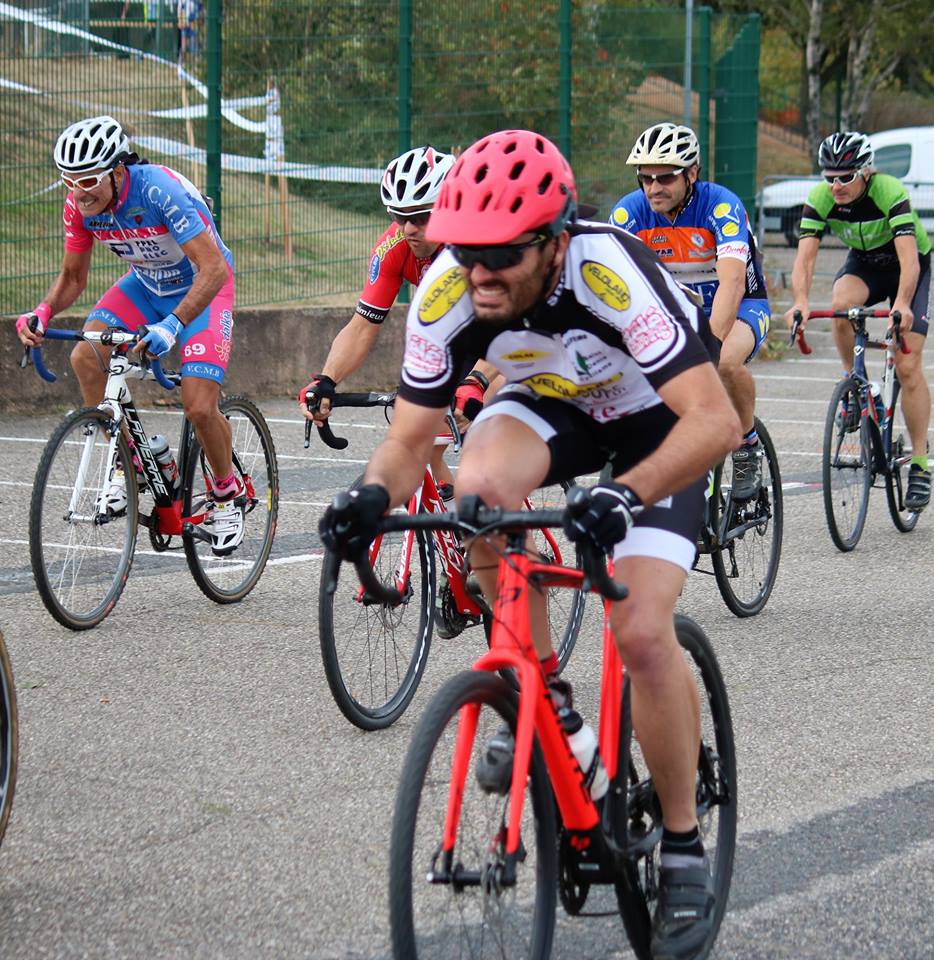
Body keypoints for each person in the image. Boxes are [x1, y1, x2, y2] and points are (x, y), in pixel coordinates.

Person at [319, 129, 740, 959]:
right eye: (465, 252)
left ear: (553, 244)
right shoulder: (449, 290)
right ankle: (544, 698)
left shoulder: (608, 268)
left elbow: (716, 419)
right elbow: (410, 442)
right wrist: (368, 496)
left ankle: (685, 840)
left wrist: (627, 495)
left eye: (501, 256)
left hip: (661, 422)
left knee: (641, 628)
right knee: (475, 492)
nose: (479, 273)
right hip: (563, 410)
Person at [15, 115, 243, 555]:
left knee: (197, 405)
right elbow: (72, 277)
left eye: (88, 181)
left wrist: (173, 324)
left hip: (203, 286)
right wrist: (43, 311)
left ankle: (225, 493)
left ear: (118, 171)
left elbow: (213, 268)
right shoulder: (79, 206)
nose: (79, 194)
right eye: (70, 182)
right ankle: (130, 464)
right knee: (86, 356)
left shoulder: (160, 191)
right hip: (146, 285)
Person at [297, 144, 498, 495]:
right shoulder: (393, 247)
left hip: (504, 337)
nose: (408, 228)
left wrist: (478, 380)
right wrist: (327, 379)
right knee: (415, 440)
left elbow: (511, 330)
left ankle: (518, 546)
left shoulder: (481, 243)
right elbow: (362, 325)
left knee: (486, 454)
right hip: (450, 338)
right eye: (399, 215)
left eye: (421, 217)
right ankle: (457, 527)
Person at [609, 122, 771, 500]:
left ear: (692, 173)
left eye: (665, 177)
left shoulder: (721, 206)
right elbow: (616, 286)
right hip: (680, 309)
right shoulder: (629, 213)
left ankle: (747, 445)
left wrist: (708, 347)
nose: (654, 188)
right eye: (645, 178)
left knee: (724, 363)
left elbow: (731, 284)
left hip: (741, 304)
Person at [784, 130, 932, 510]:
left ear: (866, 172)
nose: (836, 185)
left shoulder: (888, 190)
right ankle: (857, 383)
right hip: (865, 265)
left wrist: (901, 305)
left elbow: (910, 260)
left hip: (907, 267)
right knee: (840, 306)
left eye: (845, 177)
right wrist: (800, 301)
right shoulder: (821, 198)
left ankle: (918, 462)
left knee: (907, 364)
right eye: (829, 177)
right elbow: (804, 260)